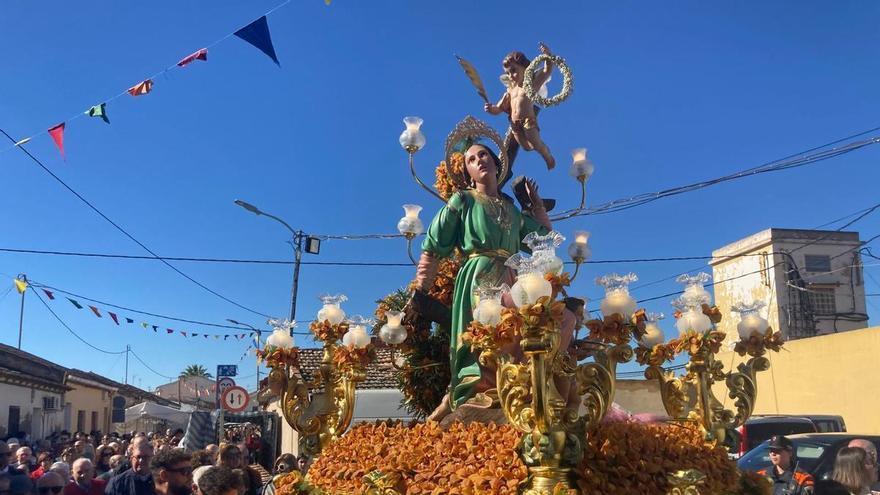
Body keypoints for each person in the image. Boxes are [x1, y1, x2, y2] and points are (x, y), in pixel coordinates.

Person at [410, 143, 576, 420]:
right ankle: (474, 395)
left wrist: (535, 206)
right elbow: (433, 247)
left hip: (513, 275)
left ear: (496, 163)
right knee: (490, 335)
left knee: (538, 323)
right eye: (471, 160)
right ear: (468, 172)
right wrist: (420, 291)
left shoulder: (511, 212)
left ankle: (523, 387)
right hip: (478, 277)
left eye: (483, 154)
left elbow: (545, 241)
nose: (479, 160)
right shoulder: (462, 201)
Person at [484, 43, 556, 170]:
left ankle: (547, 156)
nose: (511, 75)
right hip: (514, 124)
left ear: (524, 68)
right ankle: (537, 148)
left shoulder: (530, 86)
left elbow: (547, 71)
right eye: (508, 73)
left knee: (535, 143)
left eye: (514, 71)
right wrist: (491, 109)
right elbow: (499, 108)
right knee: (526, 147)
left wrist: (547, 55)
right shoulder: (510, 91)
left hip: (528, 120)